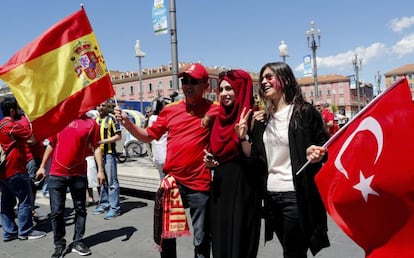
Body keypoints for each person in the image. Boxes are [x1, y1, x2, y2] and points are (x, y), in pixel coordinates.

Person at [114, 63, 219, 258]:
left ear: (205, 85)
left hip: (200, 184)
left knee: (202, 237)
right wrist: (127, 123)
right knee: (167, 236)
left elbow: (235, 122)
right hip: (173, 183)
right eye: (184, 81)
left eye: (193, 81)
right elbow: (147, 136)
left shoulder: (215, 109)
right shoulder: (170, 110)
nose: (187, 85)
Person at [246, 62, 330, 257]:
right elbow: (258, 158)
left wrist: (317, 153)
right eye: (262, 79)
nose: (264, 82)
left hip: (295, 195)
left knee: (293, 252)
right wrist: (244, 136)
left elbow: (326, 143)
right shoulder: (263, 119)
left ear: (285, 79)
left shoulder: (304, 112)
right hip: (271, 197)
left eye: (269, 77)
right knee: (289, 250)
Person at [204, 69, 263, 258]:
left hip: (244, 189)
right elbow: (215, 153)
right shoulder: (217, 120)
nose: (223, 94)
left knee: (240, 242)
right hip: (221, 189)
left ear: (241, 89)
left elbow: (257, 161)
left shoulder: (255, 119)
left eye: (229, 88)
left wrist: (244, 136)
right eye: (221, 89)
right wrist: (210, 162)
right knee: (221, 240)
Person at [36, 114, 105, 258]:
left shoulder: (91, 123)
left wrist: (100, 170)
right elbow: (51, 144)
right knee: (56, 211)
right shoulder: (59, 120)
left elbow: (97, 147)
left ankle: (78, 241)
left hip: (78, 174)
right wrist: (42, 166)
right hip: (56, 173)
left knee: (80, 209)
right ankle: (59, 244)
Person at [0, 97, 47, 242]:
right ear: (12, 110)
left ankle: (9, 232)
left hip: (3, 171)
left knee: (6, 202)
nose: (19, 110)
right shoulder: (12, 126)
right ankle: (25, 231)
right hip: (16, 168)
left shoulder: (1, 124)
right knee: (25, 200)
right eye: (18, 108)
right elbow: (32, 139)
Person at [92, 101, 122, 220]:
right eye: (99, 105)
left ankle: (115, 208)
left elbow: (118, 136)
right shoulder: (94, 120)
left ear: (107, 107)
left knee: (112, 182)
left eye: (103, 105)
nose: (101, 107)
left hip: (109, 153)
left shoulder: (112, 119)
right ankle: (104, 203)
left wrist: (103, 142)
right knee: (102, 180)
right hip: (97, 154)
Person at [148, 98, 168, 179]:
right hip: (166, 154)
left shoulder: (151, 118)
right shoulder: (164, 118)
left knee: (162, 178)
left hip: (156, 154)